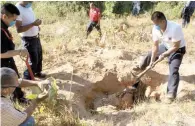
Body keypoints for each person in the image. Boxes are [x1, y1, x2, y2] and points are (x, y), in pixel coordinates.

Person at [1, 3, 50, 103]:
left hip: (8, 61)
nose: (14, 23)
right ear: (4, 16)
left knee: (14, 79)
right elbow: (1, 54)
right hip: (3, 64)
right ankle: (16, 102)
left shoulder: (4, 27)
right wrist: (19, 51)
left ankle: (20, 97)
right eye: (13, 20)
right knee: (9, 82)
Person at [133, 11, 186, 104]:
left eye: (157, 24)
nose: (155, 26)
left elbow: (176, 46)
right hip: (165, 46)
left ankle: (171, 95)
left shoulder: (175, 28)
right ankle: (140, 69)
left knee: (173, 69)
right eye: (154, 24)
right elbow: (155, 46)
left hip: (177, 49)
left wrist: (164, 54)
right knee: (149, 55)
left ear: (163, 21)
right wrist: (152, 61)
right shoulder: (156, 28)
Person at [15, 1, 46, 80]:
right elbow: (19, 29)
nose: (31, 2)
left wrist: (36, 27)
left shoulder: (28, 6)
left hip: (36, 37)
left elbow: (29, 21)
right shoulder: (18, 9)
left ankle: (37, 73)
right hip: (28, 40)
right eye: (30, 1)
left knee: (39, 57)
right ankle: (27, 78)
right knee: (32, 61)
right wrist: (33, 24)